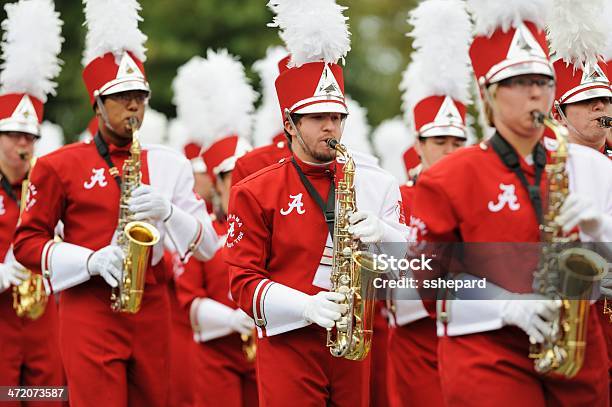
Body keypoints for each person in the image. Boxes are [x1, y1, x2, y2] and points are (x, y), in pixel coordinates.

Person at [13, 1, 218, 405]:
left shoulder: (169, 162)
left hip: (152, 307)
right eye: (121, 97)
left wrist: (169, 213)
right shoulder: (60, 165)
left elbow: (208, 245)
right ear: (97, 104)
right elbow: (27, 244)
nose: (133, 106)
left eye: (139, 96)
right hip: (88, 309)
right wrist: (90, 260)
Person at [410, 0, 612, 404]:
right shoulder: (449, 177)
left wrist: (602, 234)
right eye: (518, 81)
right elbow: (428, 283)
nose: (534, 91)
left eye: (542, 79)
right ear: (488, 95)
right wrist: (505, 306)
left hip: (577, 352)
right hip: (488, 356)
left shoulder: (591, 167)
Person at [225, 2, 408, 406]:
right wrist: (305, 305)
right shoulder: (256, 189)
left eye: (337, 116)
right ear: (289, 123)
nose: (331, 126)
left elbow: (416, 273)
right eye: (317, 117)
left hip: (355, 346)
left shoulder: (375, 181)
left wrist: (389, 237)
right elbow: (241, 283)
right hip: (289, 346)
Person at [388, 1, 471, 406]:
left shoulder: (480, 195)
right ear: (418, 145)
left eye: (458, 142)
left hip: (475, 341)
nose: (451, 151)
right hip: (417, 346)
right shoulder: (397, 197)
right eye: (440, 142)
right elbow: (393, 295)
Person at [0, 1, 65, 401]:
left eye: (29, 138)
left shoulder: (46, 185)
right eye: (13, 136)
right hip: (1, 327)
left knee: (50, 399)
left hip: (43, 323)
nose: (23, 145)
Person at [548, 1, 612, 394]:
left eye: (605, 99)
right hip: (576, 316)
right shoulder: (551, 168)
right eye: (588, 102)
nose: (601, 108)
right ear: (559, 112)